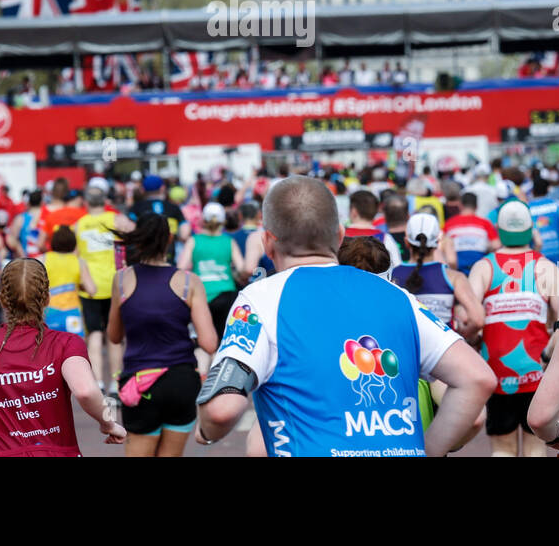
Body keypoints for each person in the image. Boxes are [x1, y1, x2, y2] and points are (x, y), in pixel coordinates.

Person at [195, 175, 495, 457]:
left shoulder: (259, 300)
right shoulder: (397, 296)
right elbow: (477, 379)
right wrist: (429, 449)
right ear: (339, 235)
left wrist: (207, 431)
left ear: (268, 242)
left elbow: (222, 408)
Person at [0, 257, 126, 455]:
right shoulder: (65, 343)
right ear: (47, 298)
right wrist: (108, 423)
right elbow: (85, 391)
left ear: (2, 299)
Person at [109, 213, 218, 456]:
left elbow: (114, 336)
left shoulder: (121, 280)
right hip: (180, 380)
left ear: (139, 240)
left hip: (140, 382)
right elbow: (209, 344)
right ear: (169, 240)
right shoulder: (189, 282)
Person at [470, 201, 559, 456]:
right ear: (531, 229)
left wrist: (475, 338)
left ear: (499, 230)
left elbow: (469, 316)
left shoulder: (484, 267)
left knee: (502, 449)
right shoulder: (545, 267)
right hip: (536, 368)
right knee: (535, 447)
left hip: (496, 369)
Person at [75, 185, 132, 395]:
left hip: (89, 286)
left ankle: (97, 381)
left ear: (86, 202)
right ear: (105, 201)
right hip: (114, 284)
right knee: (114, 335)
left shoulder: (79, 224)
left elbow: (74, 254)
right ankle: (116, 383)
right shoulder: (116, 219)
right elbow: (135, 232)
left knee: (95, 334)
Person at [391, 211, 483, 341]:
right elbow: (477, 319)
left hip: (408, 348)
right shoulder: (453, 277)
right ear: (438, 242)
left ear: (406, 242)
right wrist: (461, 337)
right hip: (444, 351)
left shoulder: (393, 276)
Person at [179, 201, 245, 341]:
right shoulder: (228, 241)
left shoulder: (193, 241)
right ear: (223, 221)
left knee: (203, 341)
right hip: (226, 294)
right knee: (224, 340)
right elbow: (242, 268)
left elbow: (182, 268)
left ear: (203, 220)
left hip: (200, 295)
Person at [42, 224, 95, 335]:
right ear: (73, 243)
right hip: (72, 312)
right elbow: (92, 290)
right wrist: (80, 286)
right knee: (75, 349)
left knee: (50, 348)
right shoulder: (79, 261)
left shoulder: (43, 259)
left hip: (49, 311)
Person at [442, 192, 499, 274]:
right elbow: (496, 245)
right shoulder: (485, 223)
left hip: (457, 269)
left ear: (460, 205)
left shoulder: (449, 224)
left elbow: (441, 243)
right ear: (476, 207)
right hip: (479, 267)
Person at [526, 176, 559, 265]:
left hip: (537, 256)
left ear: (533, 191)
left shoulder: (527, 207)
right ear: (548, 190)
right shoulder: (558, 204)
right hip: (558, 252)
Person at [8, 189, 45, 259]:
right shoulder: (47, 217)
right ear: (41, 202)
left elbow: (12, 240)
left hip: (27, 261)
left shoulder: (20, 218)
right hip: (44, 260)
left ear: (29, 203)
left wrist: (22, 254)